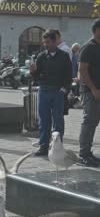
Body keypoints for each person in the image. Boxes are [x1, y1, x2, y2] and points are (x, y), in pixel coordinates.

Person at [30, 29, 72, 156]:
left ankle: (57, 146)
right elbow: (36, 76)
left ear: (55, 42)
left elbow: (68, 75)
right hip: (44, 91)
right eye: (44, 42)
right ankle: (43, 146)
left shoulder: (64, 56)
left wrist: (64, 90)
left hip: (58, 92)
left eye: (48, 42)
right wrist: (32, 71)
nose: (46, 45)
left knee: (58, 120)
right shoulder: (41, 56)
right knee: (44, 120)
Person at [77, 19, 100, 167]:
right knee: (89, 122)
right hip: (91, 92)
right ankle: (84, 154)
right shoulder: (88, 47)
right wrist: (93, 89)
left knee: (93, 122)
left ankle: (89, 153)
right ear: (97, 30)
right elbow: (82, 69)